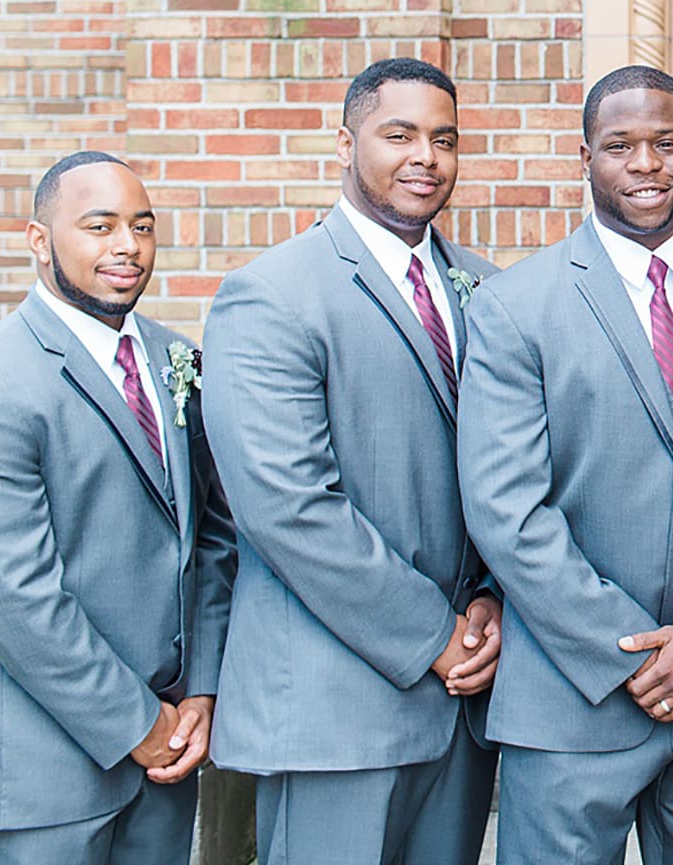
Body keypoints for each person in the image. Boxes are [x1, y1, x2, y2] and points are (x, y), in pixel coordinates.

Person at [458, 65, 673, 863]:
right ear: (584, 156)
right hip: (571, 701)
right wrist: (627, 649)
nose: (646, 164)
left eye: (666, 144)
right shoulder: (513, 306)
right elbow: (507, 510)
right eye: (621, 145)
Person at [201, 57, 500, 865]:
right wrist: (435, 635)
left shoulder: (487, 287)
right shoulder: (271, 295)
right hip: (336, 709)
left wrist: (494, 599)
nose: (425, 157)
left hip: (464, 703)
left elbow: (513, 470)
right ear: (344, 142)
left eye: (444, 139)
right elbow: (288, 507)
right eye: (398, 134)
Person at [0, 152, 237, 864]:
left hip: (168, 755)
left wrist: (204, 690)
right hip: (41, 769)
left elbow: (213, 532)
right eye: (100, 225)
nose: (127, 245)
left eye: (142, 226)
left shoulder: (178, 359)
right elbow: (12, 596)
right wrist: (134, 722)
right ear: (39, 238)